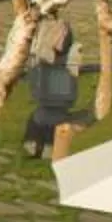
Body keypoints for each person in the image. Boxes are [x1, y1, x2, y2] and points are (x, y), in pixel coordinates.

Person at [23, 15, 82, 158]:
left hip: (50, 105)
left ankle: (41, 147)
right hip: (54, 105)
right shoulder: (69, 53)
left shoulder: (51, 36)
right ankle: (42, 147)